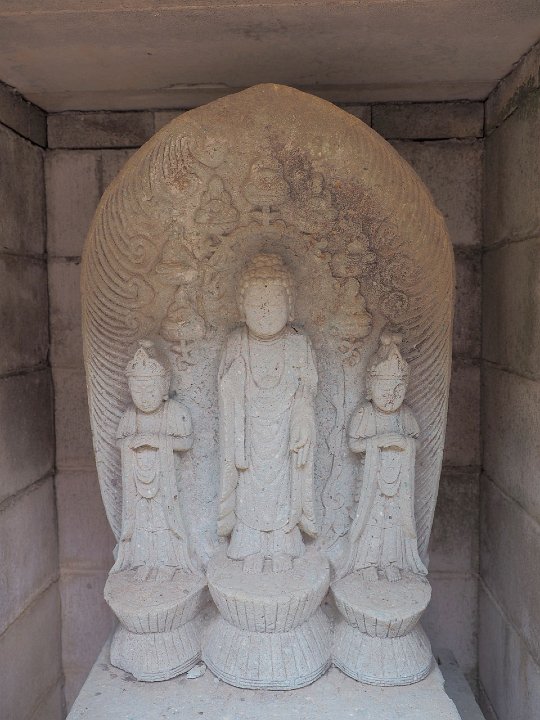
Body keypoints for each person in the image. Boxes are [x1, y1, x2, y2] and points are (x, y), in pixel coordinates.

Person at [217, 253, 318, 573]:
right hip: (247, 434)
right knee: (249, 490)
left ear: (290, 306)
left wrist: (302, 415)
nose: (265, 310)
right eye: (257, 302)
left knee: (284, 489)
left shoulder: (298, 343)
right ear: (241, 306)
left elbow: (307, 389)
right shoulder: (236, 342)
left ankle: (282, 545)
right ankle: (250, 546)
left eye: (274, 302)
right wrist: (232, 385)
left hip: (285, 434)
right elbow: (225, 387)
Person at [343, 333, 427, 582]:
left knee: (394, 524)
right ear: (370, 388)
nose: (390, 396)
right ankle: (367, 563)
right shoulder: (365, 414)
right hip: (372, 485)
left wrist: (405, 444)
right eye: (384, 389)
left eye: (397, 390)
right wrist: (379, 442)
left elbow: (417, 442)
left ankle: (392, 562)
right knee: (371, 521)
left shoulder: (405, 415)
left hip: (398, 486)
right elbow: (354, 444)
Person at [112, 340, 196, 580]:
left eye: (150, 391)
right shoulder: (130, 416)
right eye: (137, 392)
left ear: (164, 386)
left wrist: (157, 441)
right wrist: (132, 443)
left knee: (164, 523)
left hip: (166, 487)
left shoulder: (175, 412)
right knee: (142, 524)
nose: (144, 398)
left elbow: (186, 442)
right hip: (138, 487)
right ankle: (144, 562)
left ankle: (168, 565)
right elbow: (120, 442)